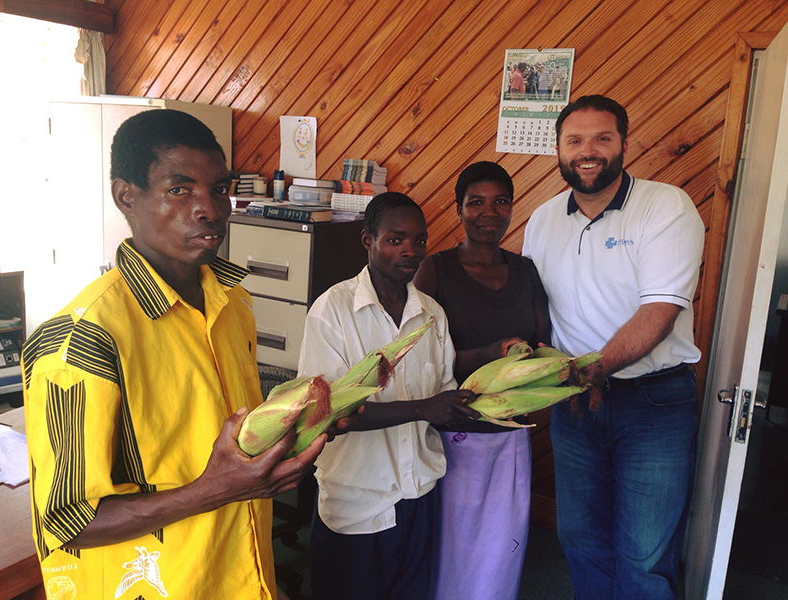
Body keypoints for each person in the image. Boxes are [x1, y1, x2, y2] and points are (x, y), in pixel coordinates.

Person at [22, 109, 329, 600]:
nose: (210, 209)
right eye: (180, 190)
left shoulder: (233, 302)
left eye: (220, 188)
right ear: (127, 196)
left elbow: (230, 440)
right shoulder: (83, 338)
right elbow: (65, 523)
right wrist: (215, 489)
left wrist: (300, 424)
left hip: (242, 576)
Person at [522, 95, 705, 599]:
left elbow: (659, 312)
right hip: (573, 403)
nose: (588, 151)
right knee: (580, 537)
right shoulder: (541, 220)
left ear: (624, 143)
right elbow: (535, 307)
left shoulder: (665, 205)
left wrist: (590, 371)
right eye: (574, 140)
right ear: (557, 148)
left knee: (644, 553)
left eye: (602, 138)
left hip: (653, 404)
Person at [297, 192, 480, 600]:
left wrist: (476, 402)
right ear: (368, 241)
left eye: (419, 241)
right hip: (358, 503)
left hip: (419, 494)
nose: (410, 251)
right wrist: (424, 408)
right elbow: (329, 416)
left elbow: (442, 395)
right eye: (395, 240)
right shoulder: (333, 312)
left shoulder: (432, 313)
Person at [413, 161, 550, 600]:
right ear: (459, 210)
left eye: (500, 201)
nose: (489, 212)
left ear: (512, 208)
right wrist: (488, 356)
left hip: (509, 436)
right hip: (452, 435)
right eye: (476, 202)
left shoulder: (526, 272)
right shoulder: (435, 270)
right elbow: (420, 357)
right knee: (450, 547)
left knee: (498, 549)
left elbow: (544, 346)